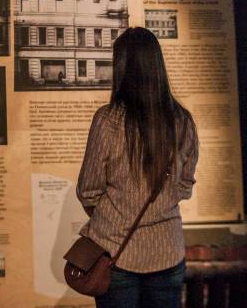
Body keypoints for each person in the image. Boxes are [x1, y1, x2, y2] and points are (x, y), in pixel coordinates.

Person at [76, 27, 199, 307]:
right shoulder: (182, 121)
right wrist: (158, 206)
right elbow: (185, 185)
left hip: (116, 253)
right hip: (167, 252)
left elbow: (88, 191)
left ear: (121, 68)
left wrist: (117, 213)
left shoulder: (108, 121)